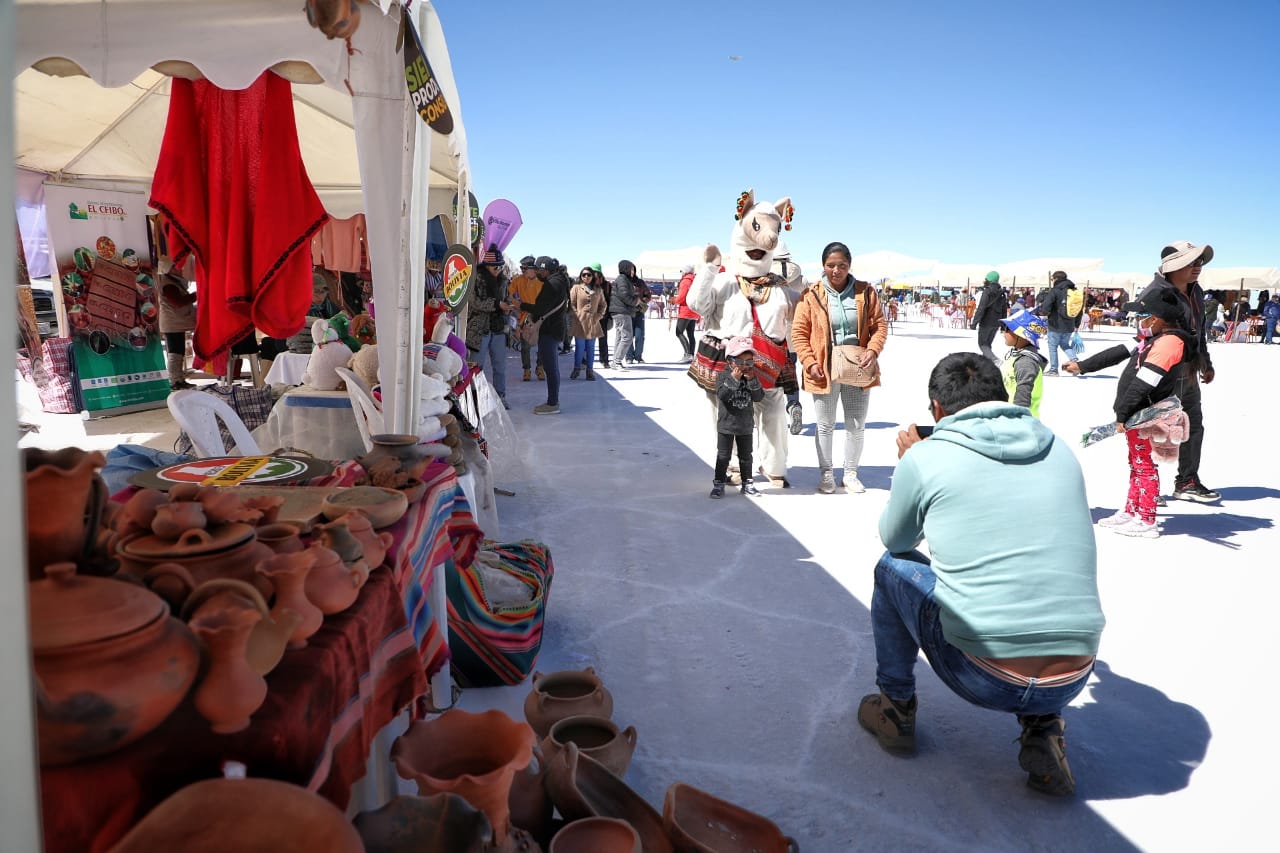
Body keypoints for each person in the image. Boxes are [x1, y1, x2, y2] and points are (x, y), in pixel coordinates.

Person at [860, 352, 1103, 797]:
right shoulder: (1057, 446)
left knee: (892, 569)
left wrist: (913, 463)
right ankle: (1042, 726)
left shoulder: (928, 456)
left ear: (937, 409)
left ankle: (894, 707)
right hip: (1073, 674)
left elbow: (895, 539)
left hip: (982, 673)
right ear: (1004, 398)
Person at [1068, 288, 1191, 538]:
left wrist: (1122, 414)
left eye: (1142, 316)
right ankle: (1132, 510)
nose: (1139, 322)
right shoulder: (1149, 338)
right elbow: (1116, 353)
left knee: (1145, 465)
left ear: (1155, 318)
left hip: (1148, 416)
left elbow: (1144, 383)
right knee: (1136, 463)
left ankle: (1147, 520)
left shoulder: (1168, 343)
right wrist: (1082, 366)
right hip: (1137, 414)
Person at [791, 241, 888, 494]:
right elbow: (799, 333)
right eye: (831, 265)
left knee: (856, 423)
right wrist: (809, 361)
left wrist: (873, 350)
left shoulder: (866, 292)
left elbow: (879, 325)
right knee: (825, 425)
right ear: (823, 266)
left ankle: (851, 473)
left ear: (850, 266)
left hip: (857, 365)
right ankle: (826, 474)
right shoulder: (811, 294)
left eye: (841, 265)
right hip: (824, 367)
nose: (836, 270)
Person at [1133, 241, 1218, 503]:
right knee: (1152, 428)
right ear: (1173, 266)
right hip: (1163, 373)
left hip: (1189, 372)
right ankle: (1148, 483)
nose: (1197, 267)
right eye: (1191, 262)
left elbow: (1199, 331)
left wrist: (1205, 361)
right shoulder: (1155, 293)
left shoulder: (1196, 291)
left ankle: (1187, 481)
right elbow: (1143, 337)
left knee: (1193, 426)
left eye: (1199, 262)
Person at [710, 336, 763, 499]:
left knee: (746, 456)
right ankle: (719, 483)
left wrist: (753, 381)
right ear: (729, 360)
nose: (745, 366)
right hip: (726, 424)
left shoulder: (752, 376)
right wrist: (734, 379)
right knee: (723, 455)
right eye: (740, 362)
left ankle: (747, 482)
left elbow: (759, 397)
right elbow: (723, 395)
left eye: (749, 362)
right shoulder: (723, 376)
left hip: (745, 424)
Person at [466, 248, 510, 407]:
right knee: (476, 366)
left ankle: (500, 396)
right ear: (486, 266)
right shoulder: (475, 279)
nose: (498, 270)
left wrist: (509, 305)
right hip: (479, 330)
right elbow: (474, 302)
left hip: (498, 328)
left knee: (500, 365)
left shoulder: (504, 280)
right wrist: (497, 304)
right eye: (495, 267)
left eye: (500, 266)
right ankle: (474, 398)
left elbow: (506, 298)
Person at [523, 256, 568, 414]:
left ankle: (552, 403)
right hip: (554, 329)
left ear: (545, 270)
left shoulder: (552, 284)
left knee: (550, 367)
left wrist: (520, 305)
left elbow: (540, 308)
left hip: (550, 330)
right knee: (551, 366)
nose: (536, 273)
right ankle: (553, 401)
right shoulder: (560, 281)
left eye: (538, 270)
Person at [998, 309, 1048, 416]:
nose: (1003, 333)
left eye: (1007, 329)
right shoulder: (1016, 355)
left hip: (1019, 418)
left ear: (1021, 335)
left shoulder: (1025, 362)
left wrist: (1018, 421)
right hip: (1009, 414)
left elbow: (1023, 395)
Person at [157, 268, 197, 390]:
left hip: (175, 323)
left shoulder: (171, 281)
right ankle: (175, 381)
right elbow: (178, 302)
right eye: (178, 268)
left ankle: (179, 379)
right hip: (172, 324)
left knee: (178, 352)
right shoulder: (168, 284)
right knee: (175, 353)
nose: (181, 271)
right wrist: (196, 295)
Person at [1041, 271, 1083, 376]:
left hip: (1055, 324)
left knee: (1052, 346)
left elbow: (1045, 307)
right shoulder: (1074, 291)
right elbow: (1079, 310)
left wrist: (1045, 313)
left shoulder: (1055, 291)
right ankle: (1075, 362)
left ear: (1056, 279)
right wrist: (1076, 324)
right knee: (1065, 344)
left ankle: (1053, 369)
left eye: (1052, 279)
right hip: (1070, 324)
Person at [568, 266, 606, 380]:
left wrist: (598, 316)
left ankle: (590, 371)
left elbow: (603, 305)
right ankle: (576, 369)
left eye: (589, 275)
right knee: (579, 347)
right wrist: (577, 315)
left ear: (592, 276)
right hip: (580, 322)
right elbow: (571, 304)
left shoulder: (598, 290)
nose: (586, 277)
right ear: (580, 276)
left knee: (591, 348)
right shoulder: (576, 288)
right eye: (584, 274)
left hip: (593, 322)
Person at [511, 255, 544, 382]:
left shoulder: (541, 281)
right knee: (525, 346)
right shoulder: (517, 280)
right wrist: (516, 304)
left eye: (525, 268)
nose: (523, 270)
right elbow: (510, 295)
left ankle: (540, 367)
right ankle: (527, 369)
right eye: (522, 268)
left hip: (540, 316)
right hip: (525, 317)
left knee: (542, 344)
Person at [609, 260, 641, 371]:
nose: (633, 272)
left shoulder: (625, 279)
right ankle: (617, 361)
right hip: (621, 311)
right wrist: (635, 301)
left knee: (620, 337)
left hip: (620, 310)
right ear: (626, 269)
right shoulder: (622, 279)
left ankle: (615, 362)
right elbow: (624, 295)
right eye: (632, 269)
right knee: (627, 337)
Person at [970, 271, 1008, 365]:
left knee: (982, 344)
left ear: (989, 280)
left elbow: (981, 308)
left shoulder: (987, 291)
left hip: (986, 321)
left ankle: (995, 360)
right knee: (988, 345)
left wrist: (974, 323)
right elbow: (1004, 310)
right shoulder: (1002, 293)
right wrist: (1003, 326)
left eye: (986, 279)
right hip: (997, 322)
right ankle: (986, 364)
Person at [671, 263, 700, 364]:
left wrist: (673, 300)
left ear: (685, 271)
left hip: (686, 310)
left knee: (679, 332)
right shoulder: (695, 280)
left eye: (681, 271)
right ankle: (691, 354)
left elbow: (682, 296)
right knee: (690, 334)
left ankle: (688, 354)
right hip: (694, 310)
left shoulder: (686, 281)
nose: (681, 273)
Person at [592, 265, 612, 369]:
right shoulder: (588, 284)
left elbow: (609, 300)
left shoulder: (607, 285)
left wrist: (609, 315)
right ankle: (585, 361)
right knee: (589, 339)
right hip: (590, 316)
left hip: (603, 315)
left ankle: (604, 360)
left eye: (595, 272)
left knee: (603, 339)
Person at [628, 277, 651, 363]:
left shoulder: (640, 282)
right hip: (628, 312)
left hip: (639, 312)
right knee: (628, 336)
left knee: (640, 335)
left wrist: (641, 302)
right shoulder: (624, 281)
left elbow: (648, 295)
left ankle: (638, 356)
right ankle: (629, 356)